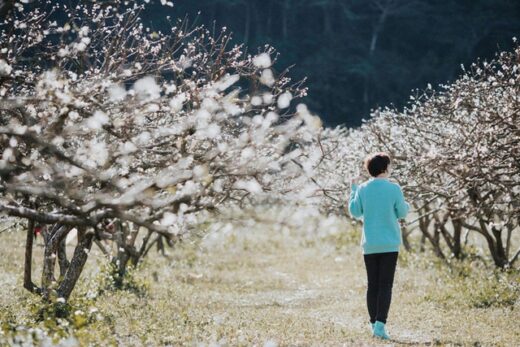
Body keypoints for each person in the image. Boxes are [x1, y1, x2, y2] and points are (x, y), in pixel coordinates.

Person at [348, 152, 410, 340]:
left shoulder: (363, 189)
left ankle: (374, 324)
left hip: (370, 244)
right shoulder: (394, 188)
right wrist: (403, 205)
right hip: (390, 244)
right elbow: (402, 212)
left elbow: (355, 211)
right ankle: (380, 326)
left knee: (372, 285)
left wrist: (353, 189)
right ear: (385, 168)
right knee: (386, 285)